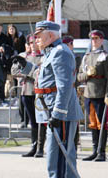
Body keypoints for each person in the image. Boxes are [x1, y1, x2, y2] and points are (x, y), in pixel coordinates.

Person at [16, 21, 84, 177]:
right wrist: (24, 65)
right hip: (51, 110)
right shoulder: (51, 52)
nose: (36, 40)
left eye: (39, 36)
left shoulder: (60, 52)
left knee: (61, 158)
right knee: (54, 157)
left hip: (61, 113)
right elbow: (42, 77)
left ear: (51, 35)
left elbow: (64, 86)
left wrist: (58, 114)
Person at [78, 30, 108, 162]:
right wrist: (87, 74)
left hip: (100, 93)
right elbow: (79, 76)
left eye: (97, 38)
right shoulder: (86, 56)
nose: (94, 40)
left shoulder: (105, 56)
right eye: (92, 38)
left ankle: (101, 152)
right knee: (92, 124)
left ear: (101, 40)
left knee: (101, 124)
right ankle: (94, 150)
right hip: (89, 93)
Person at [12, 34, 47, 158]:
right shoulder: (24, 56)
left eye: (35, 42)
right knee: (32, 121)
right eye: (30, 43)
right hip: (26, 91)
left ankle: (40, 148)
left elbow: (41, 74)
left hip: (38, 93)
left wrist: (27, 72)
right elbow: (14, 71)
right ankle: (34, 146)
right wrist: (29, 72)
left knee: (41, 121)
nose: (33, 45)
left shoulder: (43, 57)